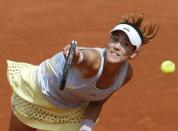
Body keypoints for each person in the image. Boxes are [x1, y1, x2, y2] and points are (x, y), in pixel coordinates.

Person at [7, 12, 158, 131]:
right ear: (109, 40)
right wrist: (75, 56)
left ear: (133, 53)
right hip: (36, 93)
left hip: (69, 108)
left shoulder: (125, 75)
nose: (117, 46)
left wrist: (86, 127)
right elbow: (82, 58)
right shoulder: (93, 61)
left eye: (125, 44)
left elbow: (98, 100)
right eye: (115, 39)